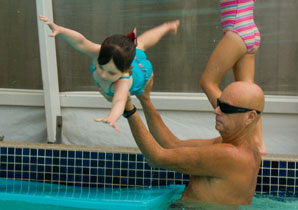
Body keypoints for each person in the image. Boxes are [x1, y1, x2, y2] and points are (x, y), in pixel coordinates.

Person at [123, 77, 264, 205]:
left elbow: (156, 158)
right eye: (218, 103)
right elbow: (172, 144)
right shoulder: (244, 148)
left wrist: (128, 109)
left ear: (250, 117)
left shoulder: (229, 155)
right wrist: (145, 100)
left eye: (226, 108)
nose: (216, 110)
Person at [39, 16, 180, 132]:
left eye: (111, 73)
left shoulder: (124, 81)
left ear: (126, 70)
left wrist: (113, 116)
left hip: (141, 73)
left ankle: (166, 27)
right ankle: (167, 26)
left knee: (140, 48)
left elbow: (119, 100)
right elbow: (80, 42)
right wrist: (61, 30)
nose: (104, 75)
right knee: (140, 44)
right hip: (125, 59)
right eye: (101, 67)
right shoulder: (99, 52)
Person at [199, 0, 266, 154]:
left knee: (208, 82)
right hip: (249, 29)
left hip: (237, 31)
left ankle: (231, 122)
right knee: (247, 89)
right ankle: (257, 143)